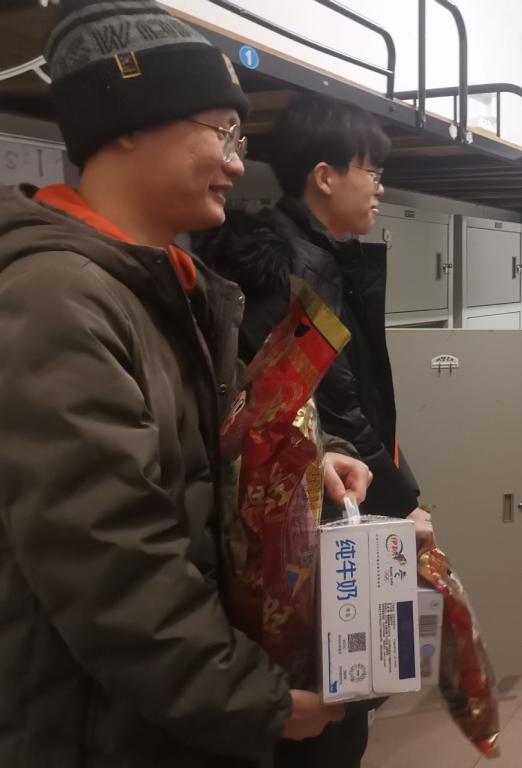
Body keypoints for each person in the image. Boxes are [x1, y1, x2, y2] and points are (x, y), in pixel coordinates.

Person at [0, 2, 373, 766]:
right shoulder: (56, 300)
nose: (237, 165)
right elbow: (112, 567)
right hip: (97, 728)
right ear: (128, 124)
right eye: (223, 133)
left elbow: (226, 434)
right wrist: (256, 701)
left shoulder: (180, 285)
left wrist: (315, 455)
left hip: (164, 713)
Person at [195, 94, 432, 768]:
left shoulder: (316, 257)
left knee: (337, 699)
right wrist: (403, 500)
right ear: (325, 177)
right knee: (329, 707)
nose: (380, 188)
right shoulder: (293, 272)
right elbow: (335, 407)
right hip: (312, 514)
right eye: (372, 172)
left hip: (329, 489)